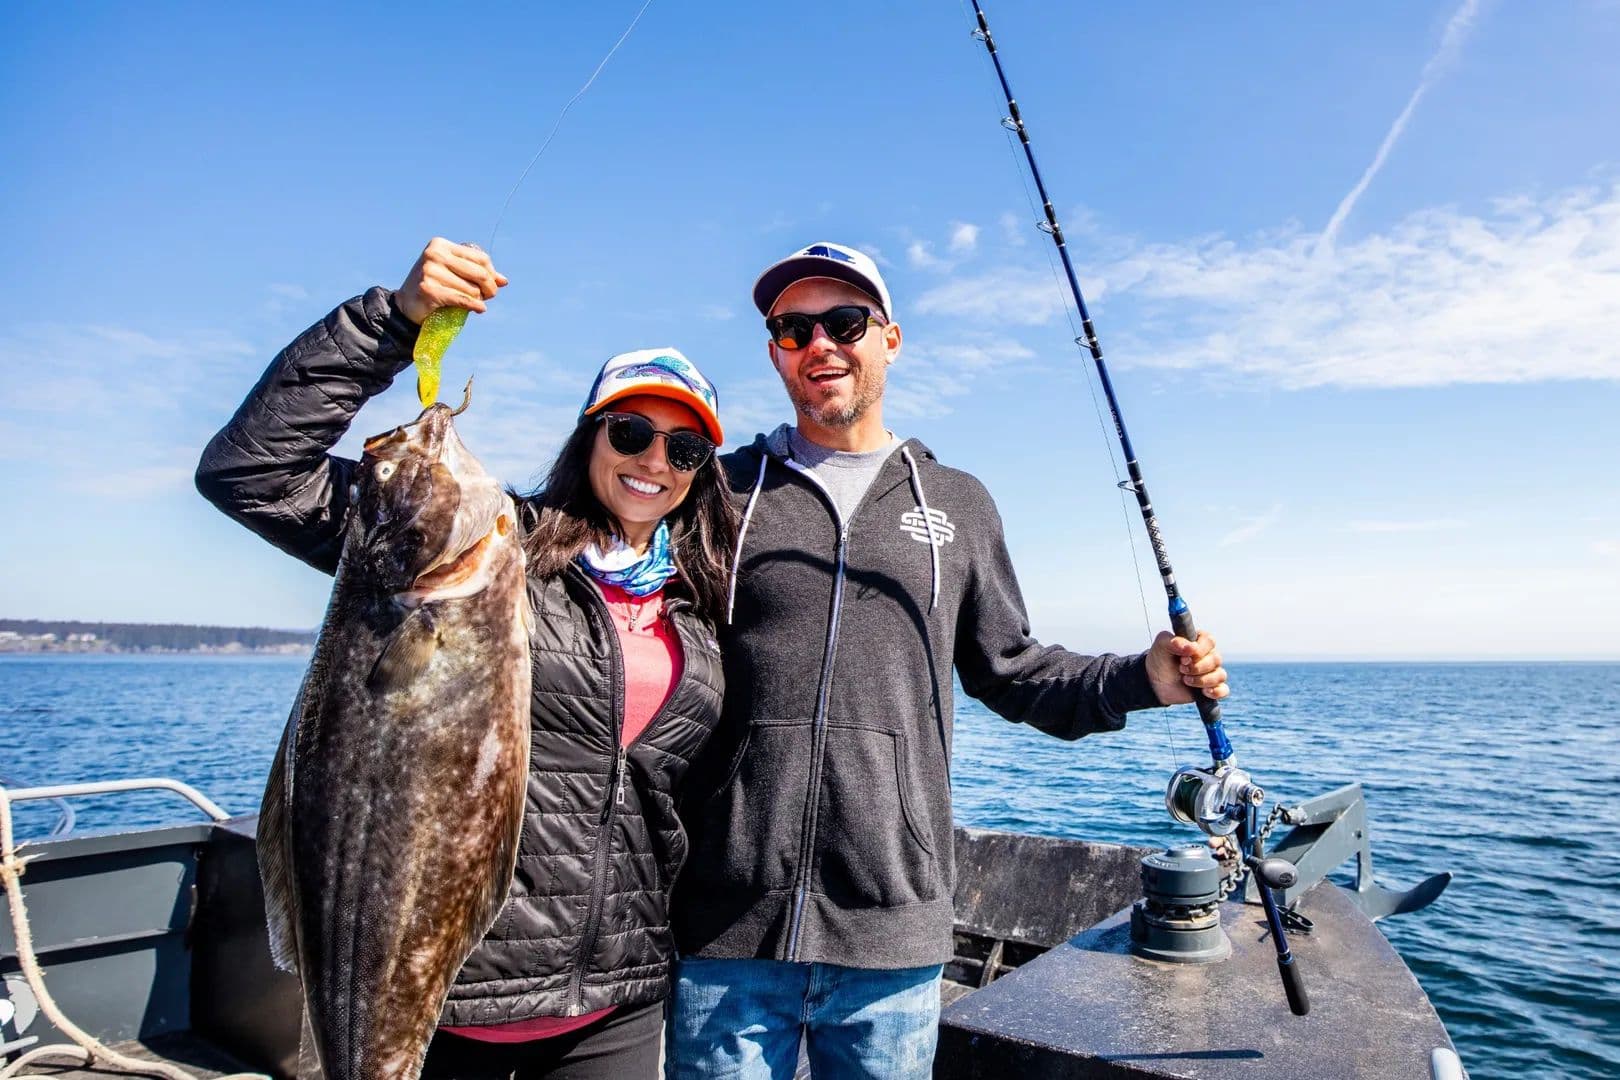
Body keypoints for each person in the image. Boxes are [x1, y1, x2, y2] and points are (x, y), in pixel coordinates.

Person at [667, 242, 1231, 1079]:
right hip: (724, 931)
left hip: (892, 936)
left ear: (889, 339)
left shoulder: (958, 503)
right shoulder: (718, 489)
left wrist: (1141, 679)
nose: (819, 344)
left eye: (844, 323)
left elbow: (1014, 670)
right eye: (793, 329)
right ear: (775, 351)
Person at [195, 238, 737, 1079]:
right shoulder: (480, 546)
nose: (654, 461)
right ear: (589, 438)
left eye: (685, 448)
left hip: (615, 1000)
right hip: (447, 996)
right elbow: (252, 472)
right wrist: (393, 321)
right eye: (631, 431)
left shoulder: (699, 605)